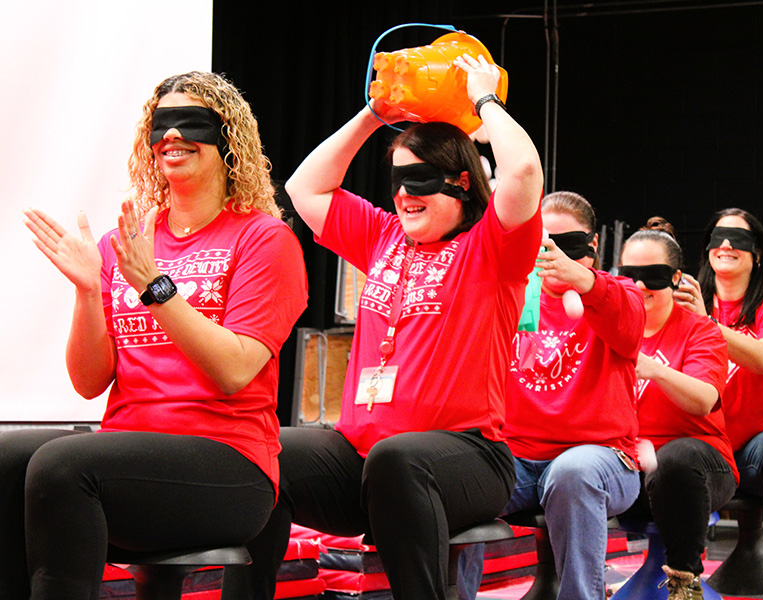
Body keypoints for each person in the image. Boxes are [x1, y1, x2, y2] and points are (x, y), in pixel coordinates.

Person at [221, 53, 544, 600]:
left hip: (469, 458)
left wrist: (486, 101)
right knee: (262, 450)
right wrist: (374, 113)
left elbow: (524, 173)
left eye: (419, 180)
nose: (403, 195)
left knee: (401, 458)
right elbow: (305, 189)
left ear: (462, 182)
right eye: (396, 180)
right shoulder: (384, 238)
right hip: (366, 459)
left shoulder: (493, 246)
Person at [5, 71, 308, 599]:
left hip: (227, 463)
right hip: (129, 453)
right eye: (160, 125)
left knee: (63, 464)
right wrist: (86, 293)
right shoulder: (124, 242)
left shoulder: (265, 240)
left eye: (190, 122)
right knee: (8, 461)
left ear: (227, 139)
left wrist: (154, 285)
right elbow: (89, 381)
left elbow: (235, 369)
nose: (171, 136)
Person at [456, 191, 644, 600]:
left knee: (572, 472)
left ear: (592, 246)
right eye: (543, 243)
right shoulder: (514, 296)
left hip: (604, 458)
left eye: (568, 245)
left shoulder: (621, 292)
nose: (553, 256)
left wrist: (583, 281)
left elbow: (629, 329)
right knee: (459, 480)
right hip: (517, 458)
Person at [677, 208, 763, 600]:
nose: (725, 245)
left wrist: (706, 324)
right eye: (718, 237)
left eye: (738, 239)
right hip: (706, 444)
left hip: (757, 452)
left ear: (756, 253)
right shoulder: (688, 302)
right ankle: (676, 571)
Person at [618, 217, 736, 600]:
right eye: (629, 274)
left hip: (698, 466)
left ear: (675, 278)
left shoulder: (701, 330)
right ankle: (566, 581)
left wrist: (653, 368)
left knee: (675, 460)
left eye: (652, 275)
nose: (638, 285)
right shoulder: (608, 327)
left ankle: (685, 584)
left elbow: (703, 399)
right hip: (630, 468)